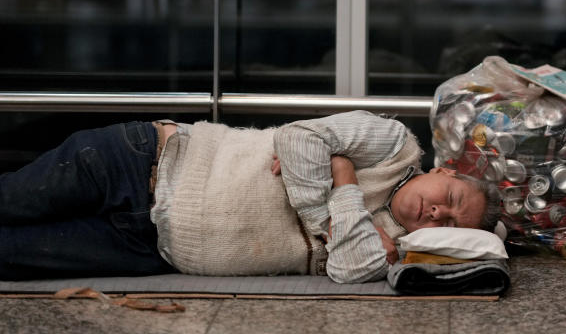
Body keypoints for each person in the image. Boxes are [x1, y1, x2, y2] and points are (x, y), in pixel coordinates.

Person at [0, 112, 500, 282]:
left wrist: (342, 184)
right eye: (450, 195)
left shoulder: (391, 247)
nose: (438, 211)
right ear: (442, 169)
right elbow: (301, 137)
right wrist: (332, 227)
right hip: (137, 164)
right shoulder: (392, 144)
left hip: (147, 249)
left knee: (11, 257)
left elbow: (349, 269)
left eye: (450, 223)